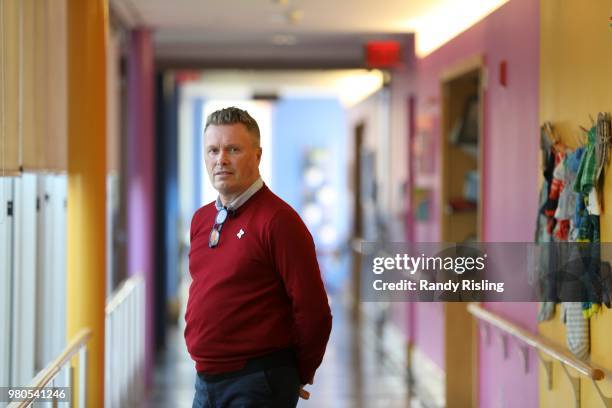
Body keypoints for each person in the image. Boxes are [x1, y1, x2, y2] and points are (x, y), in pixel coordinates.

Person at [185, 107, 332, 407]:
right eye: (213, 150)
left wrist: (296, 373)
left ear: (257, 155)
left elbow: (314, 311)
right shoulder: (201, 220)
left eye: (233, 149)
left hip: (257, 382)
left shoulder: (279, 221)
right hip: (205, 383)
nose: (221, 159)